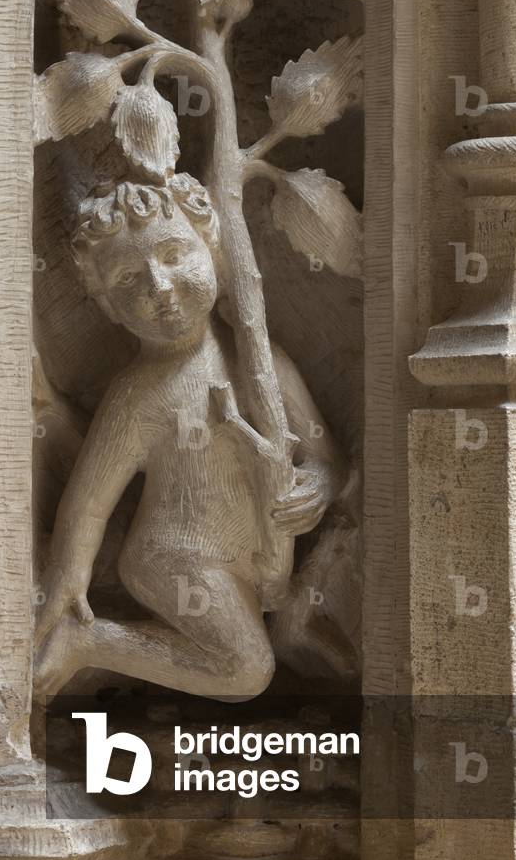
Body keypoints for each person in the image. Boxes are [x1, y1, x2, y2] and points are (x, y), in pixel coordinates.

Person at [34, 175, 344, 699]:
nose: (159, 286)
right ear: (107, 306)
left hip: (244, 561)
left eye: (175, 254)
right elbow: (88, 503)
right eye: (129, 280)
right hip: (173, 558)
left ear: (213, 248)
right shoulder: (138, 393)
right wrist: (67, 583)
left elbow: (323, 453)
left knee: (248, 661)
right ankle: (90, 640)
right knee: (246, 672)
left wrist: (318, 483)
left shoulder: (258, 360)